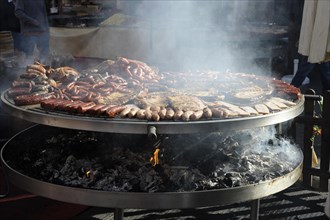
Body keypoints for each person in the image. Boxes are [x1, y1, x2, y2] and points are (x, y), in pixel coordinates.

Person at [290, 0, 330, 92]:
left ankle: (291, 90)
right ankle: (291, 89)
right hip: (318, 39)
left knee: (312, 63)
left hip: (319, 40)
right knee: (324, 66)